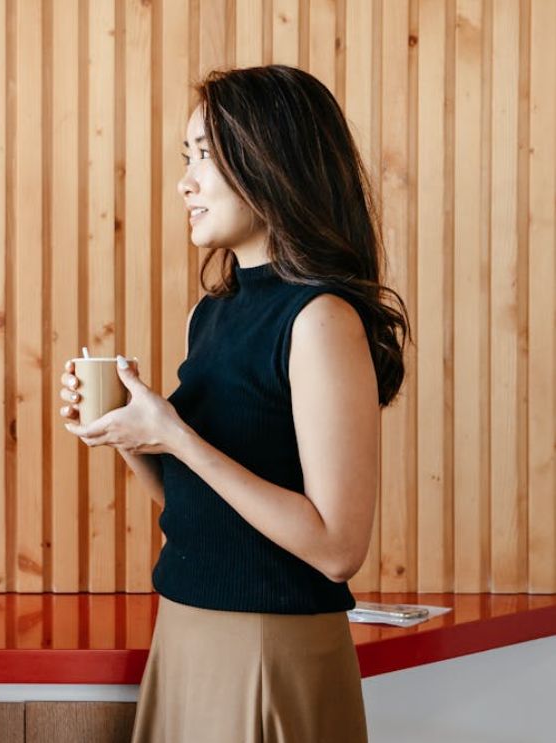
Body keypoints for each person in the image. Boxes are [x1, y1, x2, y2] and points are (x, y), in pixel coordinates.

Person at [62, 65, 409, 742]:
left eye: (204, 158)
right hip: (186, 627)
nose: (183, 182)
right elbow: (203, 508)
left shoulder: (320, 319)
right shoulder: (211, 314)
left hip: (270, 648)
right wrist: (132, 430)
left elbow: (338, 548)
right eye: (184, 157)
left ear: (270, 165)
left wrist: (176, 433)